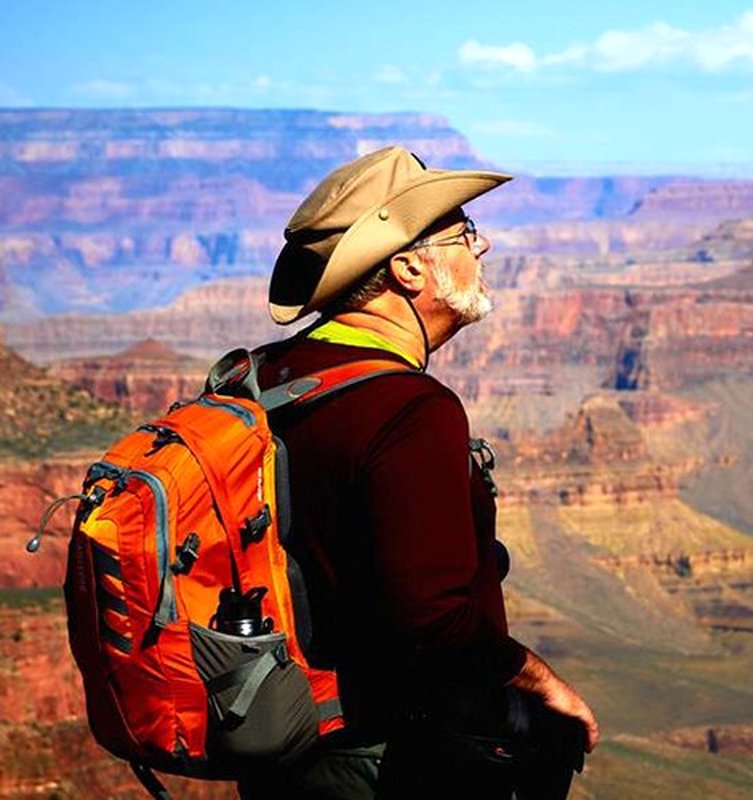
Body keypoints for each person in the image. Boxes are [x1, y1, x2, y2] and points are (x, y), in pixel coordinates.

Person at [237, 146, 599, 799]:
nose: (482, 246)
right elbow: (433, 624)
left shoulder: (266, 376)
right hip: (385, 760)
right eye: (462, 233)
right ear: (408, 269)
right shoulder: (410, 410)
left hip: (287, 748)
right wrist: (544, 685)